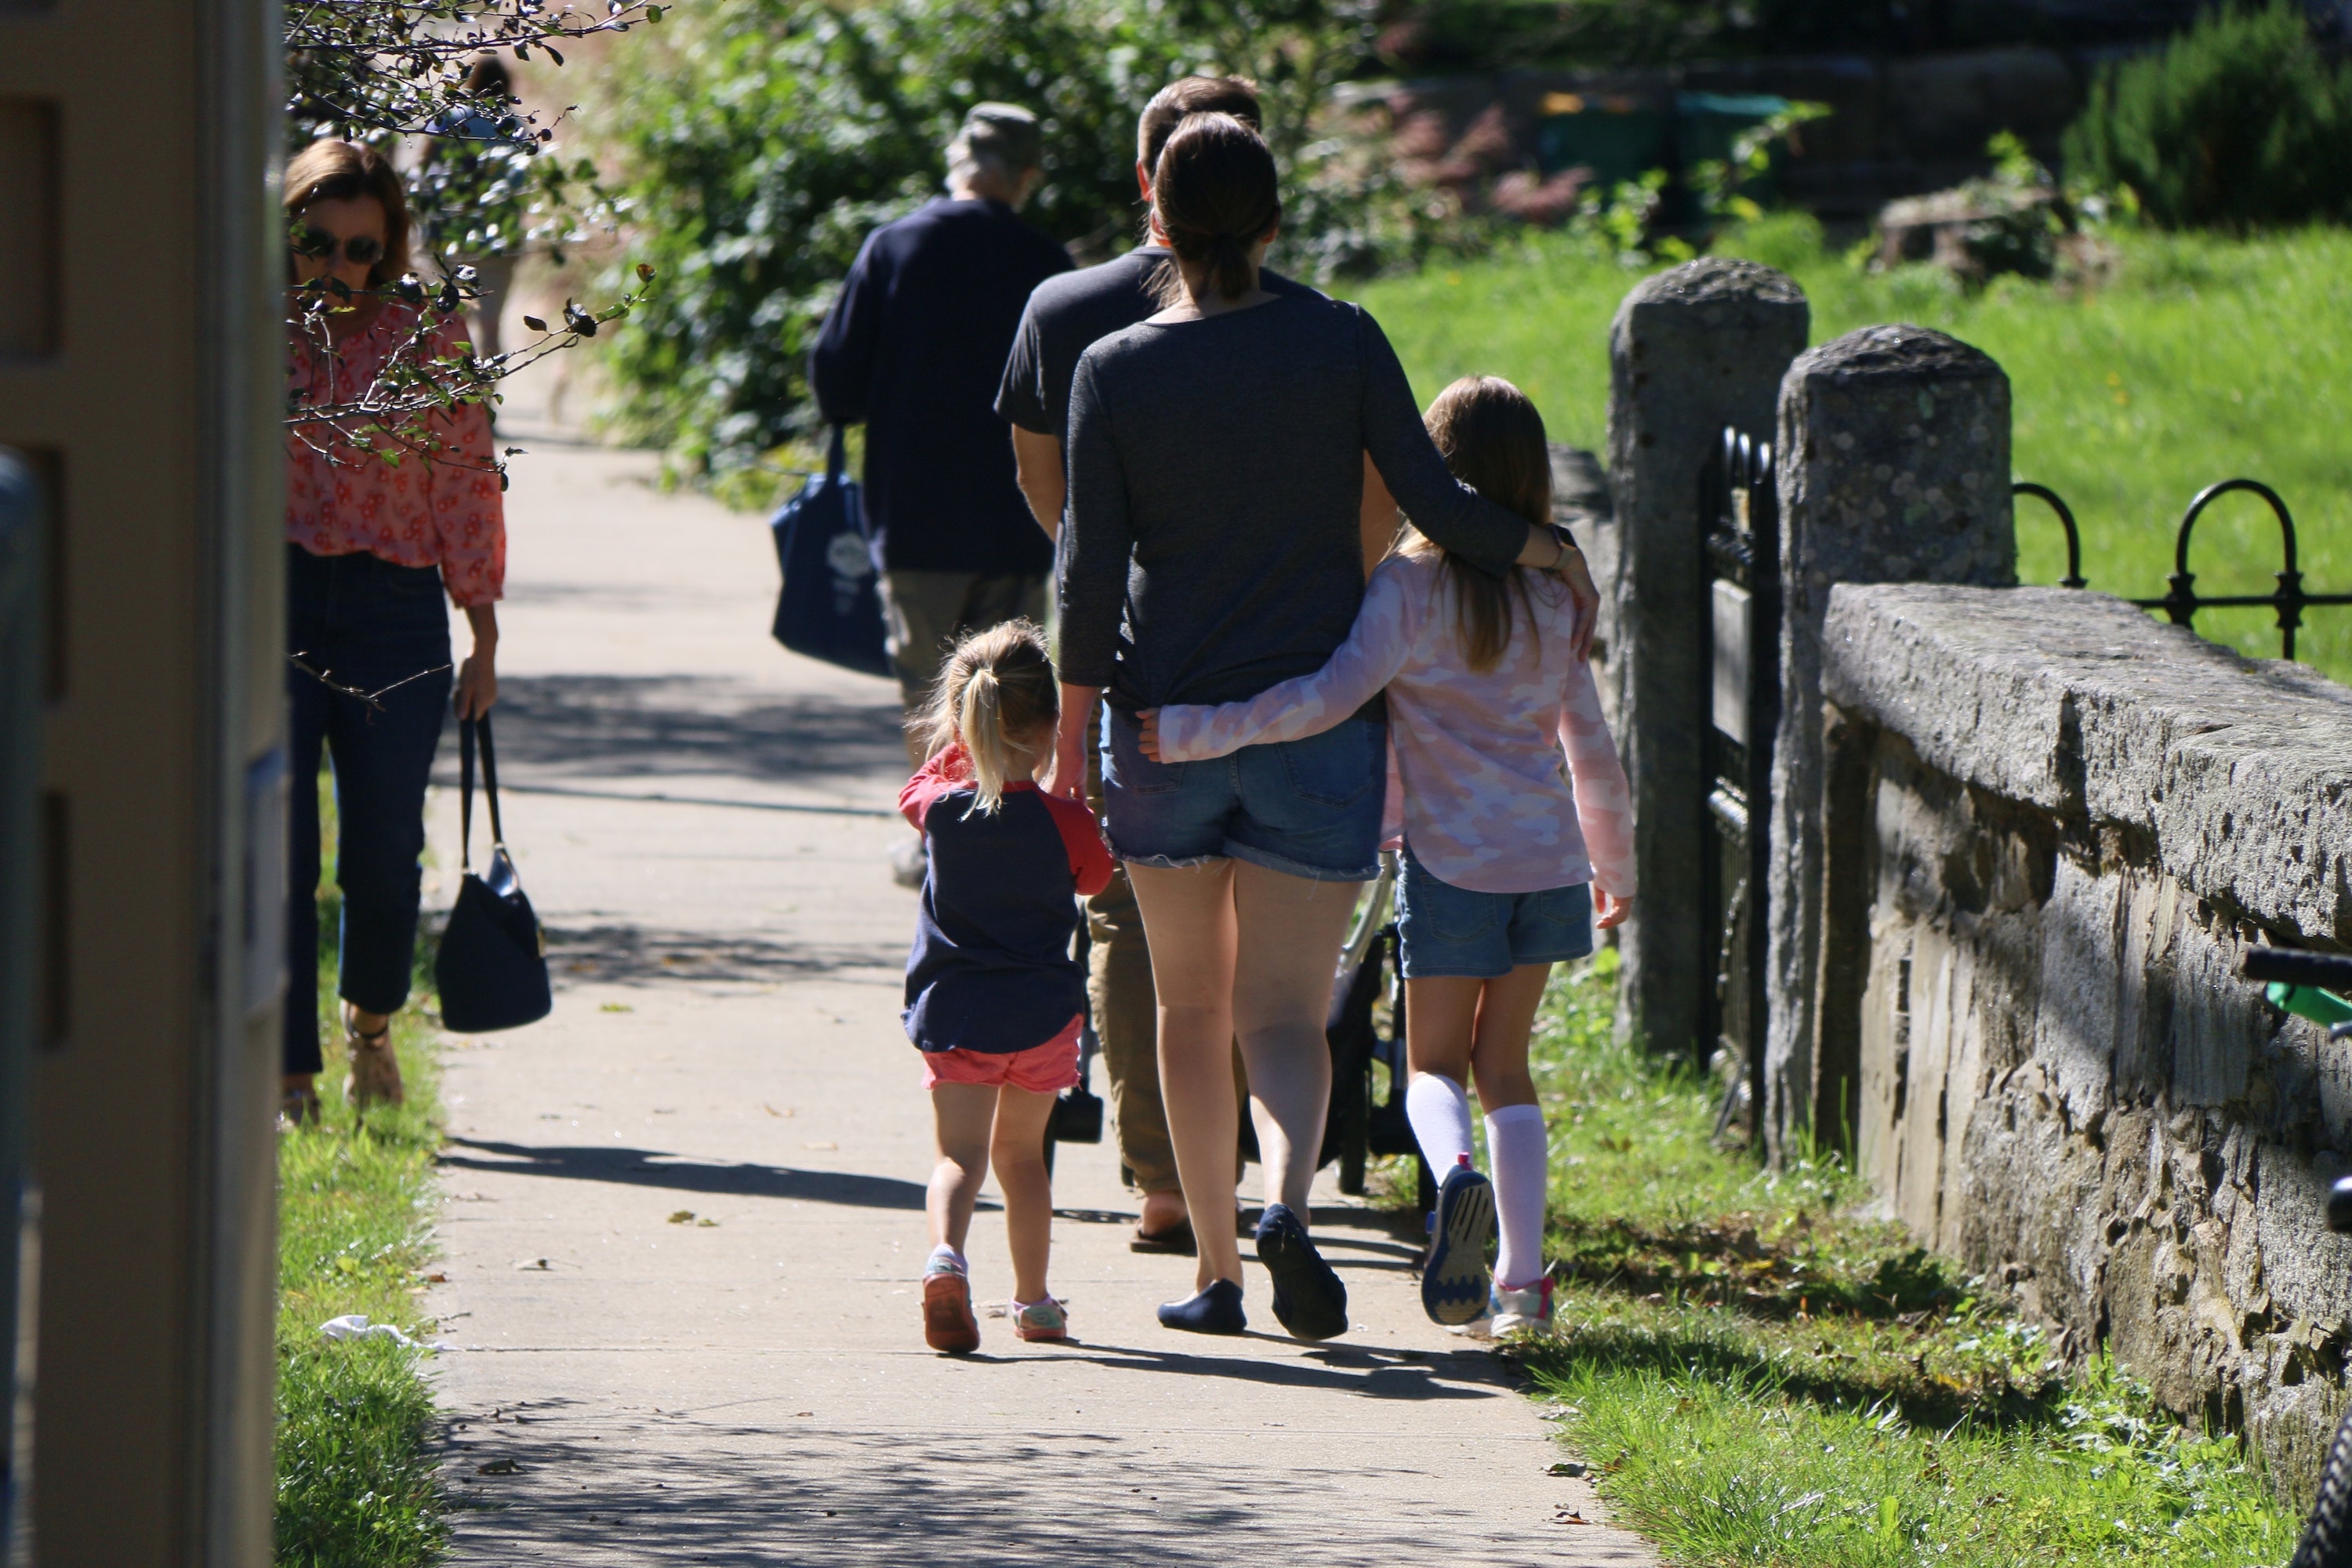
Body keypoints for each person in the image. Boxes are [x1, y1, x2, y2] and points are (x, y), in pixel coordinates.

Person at [1050, 113, 1598, 1339]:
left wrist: (1076, 736)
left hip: (1163, 729)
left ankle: (1219, 1269)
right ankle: (1291, 1200)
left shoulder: (1116, 369)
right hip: (1316, 735)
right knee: (1286, 1016)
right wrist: (1549, 550)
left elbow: (1088, 574)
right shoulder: (1341, 340)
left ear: (1157, 218)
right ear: (1278, 219)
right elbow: (1438, 500)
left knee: (1189, 1009)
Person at [1142, 376, 1636, 1339]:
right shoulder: (1553, 589)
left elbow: (1327, 696)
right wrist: (1613, 866)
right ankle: (1525, 1285)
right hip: (1547, 861)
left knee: (1432, 1068)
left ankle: (1455, 1178)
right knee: (1512, 1069)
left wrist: (1202, 731)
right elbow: (1591, 743)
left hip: (1452, 866)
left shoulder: (1408, 588)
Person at [995, 74, 1313, 1256]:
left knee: (1141, 924)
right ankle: (1266, 1182)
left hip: (1124, 657)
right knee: (1267, 927)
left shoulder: (1061, 310)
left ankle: (1169, 1183)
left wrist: (1105, 599)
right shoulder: (1307, 319)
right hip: (1279, 654)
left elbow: (1048, 495)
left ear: (1146, 184)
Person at [282, 139, 503, 1122]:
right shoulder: (249, 328)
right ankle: (291, 1074)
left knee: (380, 848)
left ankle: (369, 1025)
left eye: (362, 250)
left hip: (395, 606)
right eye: (316, 243)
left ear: (391, 246)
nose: (338, 268)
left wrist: (482, 626)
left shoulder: (426, 335)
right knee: (278, 847)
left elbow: (464, 477)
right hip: (278, 597)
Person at [811, 103, 1074, 885]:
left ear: (957, 163)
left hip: (917, 514)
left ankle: (939, 844)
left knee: (934, 689)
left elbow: (836, 382)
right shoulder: (1047, 260)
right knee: (1011, 689)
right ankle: (1007, 837)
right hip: (1020, 516)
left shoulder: (893, 248)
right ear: (1026, 177)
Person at [898, 622, 1113, 1353]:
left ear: (963, 721)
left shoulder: (939, 809)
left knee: (959, 1158)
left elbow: (917, 787)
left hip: (958, 1012)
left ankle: (944, 1258)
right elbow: (1097, 879)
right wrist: (1067, 794)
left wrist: (965, 748)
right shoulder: (1066, 823)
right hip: (1041, 1018)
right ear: (1053, 724)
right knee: (1023, 1162)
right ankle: (1035, 1304)